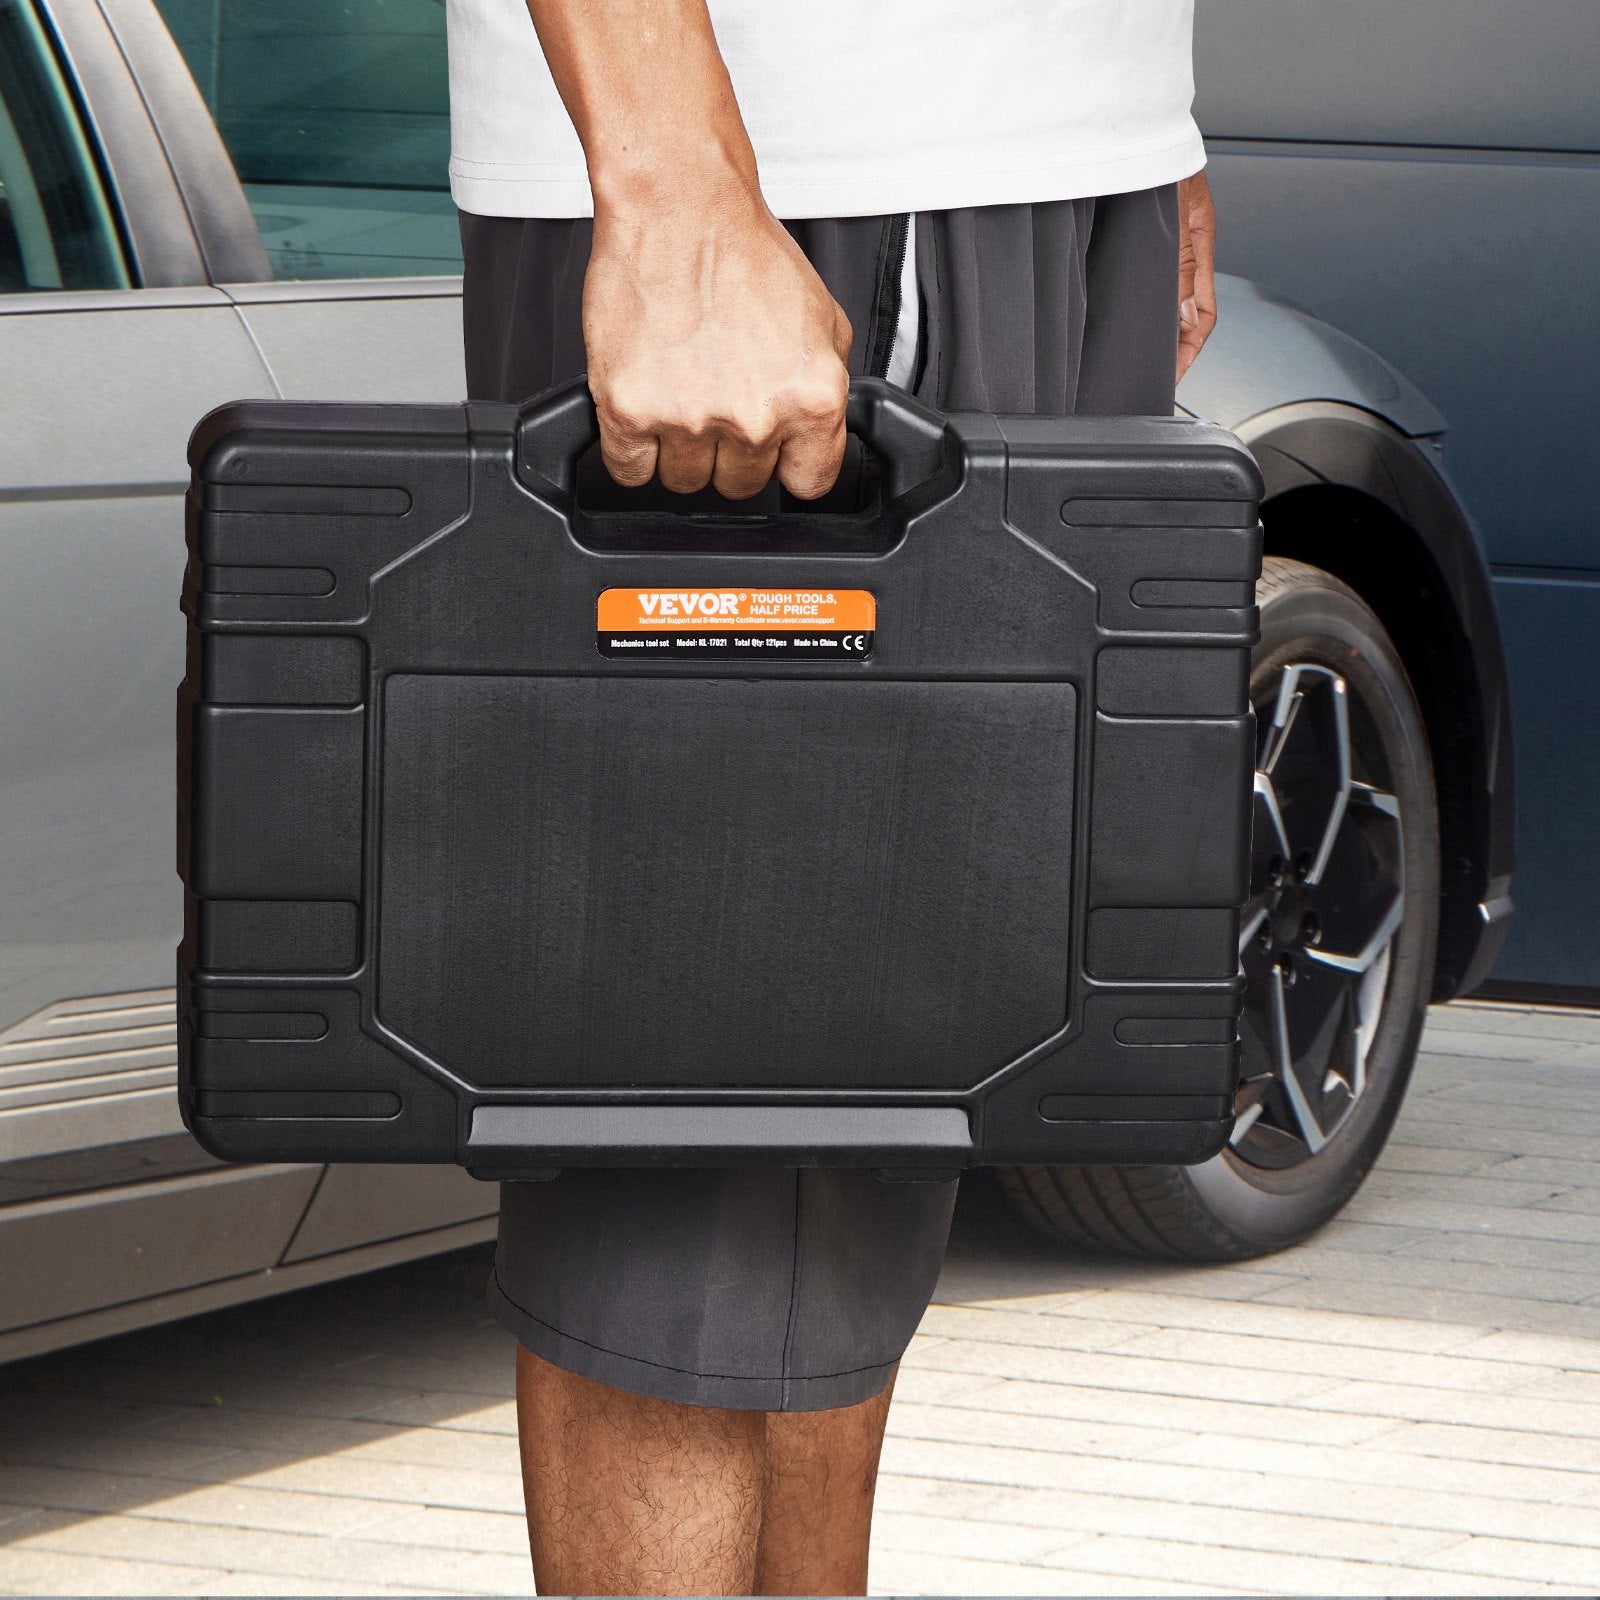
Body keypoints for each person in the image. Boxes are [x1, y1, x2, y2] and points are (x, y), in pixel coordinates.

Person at [445, 1, 1218, 1591]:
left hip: (1049, 149)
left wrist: (1145, 118)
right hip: (795, 163)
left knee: (872, 1127)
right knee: (688, 1153)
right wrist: (670, 175)